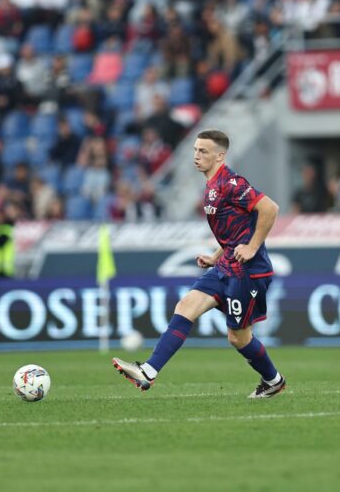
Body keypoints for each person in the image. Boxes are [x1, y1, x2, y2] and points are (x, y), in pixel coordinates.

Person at [113, 129, 286, 399]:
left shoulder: (232, 183)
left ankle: (273, 380)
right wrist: (216, 256)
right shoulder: (211, 186)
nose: (196, 155)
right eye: (195, 150)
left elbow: (270, 209)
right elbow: (236, 228)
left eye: (203, 151)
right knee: (186, 306)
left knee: (238, 338)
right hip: (226, 265)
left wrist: (252, 247)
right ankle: (149, 371)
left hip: (248, 272)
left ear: (220, 155)